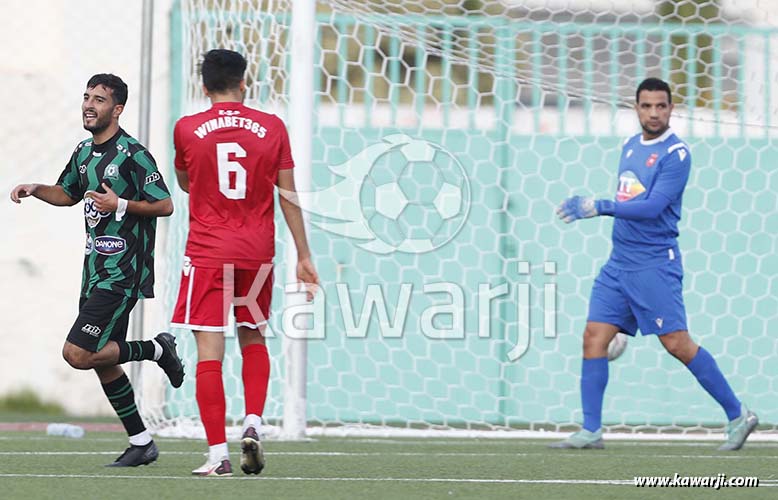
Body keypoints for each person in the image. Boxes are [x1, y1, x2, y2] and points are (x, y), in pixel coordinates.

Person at [552, 77, 758, 451]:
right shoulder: (631, 146)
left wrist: (598, 206)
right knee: (593, 338)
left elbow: (651, 208)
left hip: (653, 266)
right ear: (636, 108)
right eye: (646, 106)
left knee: (677, 343)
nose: (653, 113)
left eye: (660, 106)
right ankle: (591, 430)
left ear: (670, 109)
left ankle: (738, 415)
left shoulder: (676, 154)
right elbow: (629, 197)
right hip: (619, 264)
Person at [10, 74, 185, 466]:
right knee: (102, 359)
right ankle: (141, 442)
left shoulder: (133, 154)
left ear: (117, 109)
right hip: (93, 269)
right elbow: (68, 194)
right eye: (87, 97)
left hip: (123, 273)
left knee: (78, 352)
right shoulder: (84, 152)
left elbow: (165, 204)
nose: (89, 104)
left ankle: (157, 349)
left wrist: (120, 205)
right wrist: (37, 188)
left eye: (100, 99)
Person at [170, 49, 319, 477]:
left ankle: (218, 455)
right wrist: (304, 255)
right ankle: (254, 420)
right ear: (244, 82)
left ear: (204, 86)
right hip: (258, 252)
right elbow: (287, 194)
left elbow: (185, 181)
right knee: (253, 335)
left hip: (208, 251)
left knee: (209, 351)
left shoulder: (187, 128)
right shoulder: (273, 127)